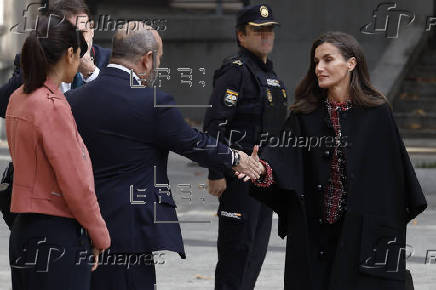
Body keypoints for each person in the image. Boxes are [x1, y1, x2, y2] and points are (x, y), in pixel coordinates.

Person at [65, 22, 263, 290]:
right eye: (160, 59)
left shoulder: (75, 100)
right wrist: (235, 158)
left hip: (80, 227)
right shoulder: (152, 102)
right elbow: (193, 143)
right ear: (147, 59)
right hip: (131, 232)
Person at [247, 31, 428, 290]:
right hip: (314, 234)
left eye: (328, 60)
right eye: (316, 61)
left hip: (362, 236)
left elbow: (396, 183)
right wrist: (262, 171)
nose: (319, 68)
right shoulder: (304, 115)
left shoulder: (377, 114)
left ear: (351, 63)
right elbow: (280, 163)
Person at [6, 15, 110, 290]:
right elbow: (76, 182)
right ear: (69, 53)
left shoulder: (19, 98)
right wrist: (99, 234)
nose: (79, 64)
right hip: (56, 233)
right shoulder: (53, 105)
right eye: (79, 55)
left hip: (23, 230)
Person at [202, 4, 287, 289]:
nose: (266, 37)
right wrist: (215, 172)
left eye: (270, 30)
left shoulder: (270, 76)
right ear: (241, 36)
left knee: (255, 253)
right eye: (258, 31)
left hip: (264, 178)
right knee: (236, 253)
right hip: (237, 179)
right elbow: (215, 124)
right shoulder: (235, 71)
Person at [0, 0, 111, 117]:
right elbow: (3, 106)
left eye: (82, 33)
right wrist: (40, 65)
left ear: (92, 30)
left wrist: (91, 72)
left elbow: (118, 107)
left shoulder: (110, 59)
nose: (78, 42)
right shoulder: (33, 59)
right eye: (69, 35)